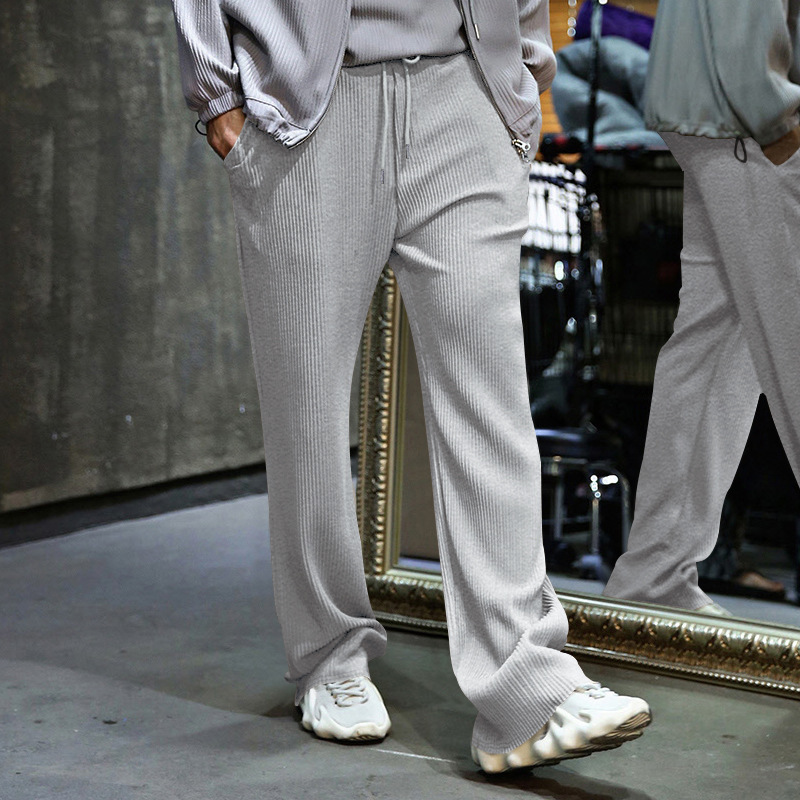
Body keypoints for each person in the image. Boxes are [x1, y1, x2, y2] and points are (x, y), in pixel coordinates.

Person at [168, 0, 651, 774]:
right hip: (308, 107)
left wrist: (524, 71)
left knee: (492, 403)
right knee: (307, 410)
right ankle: (329, 657)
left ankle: (526, 688)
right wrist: (217, 95)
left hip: (467, 90)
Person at [602, 0, 800, 615]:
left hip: (728, 109)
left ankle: (655, 573)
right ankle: (655, 571)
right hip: (751, 110)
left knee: (715, 347)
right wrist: (776, 116)